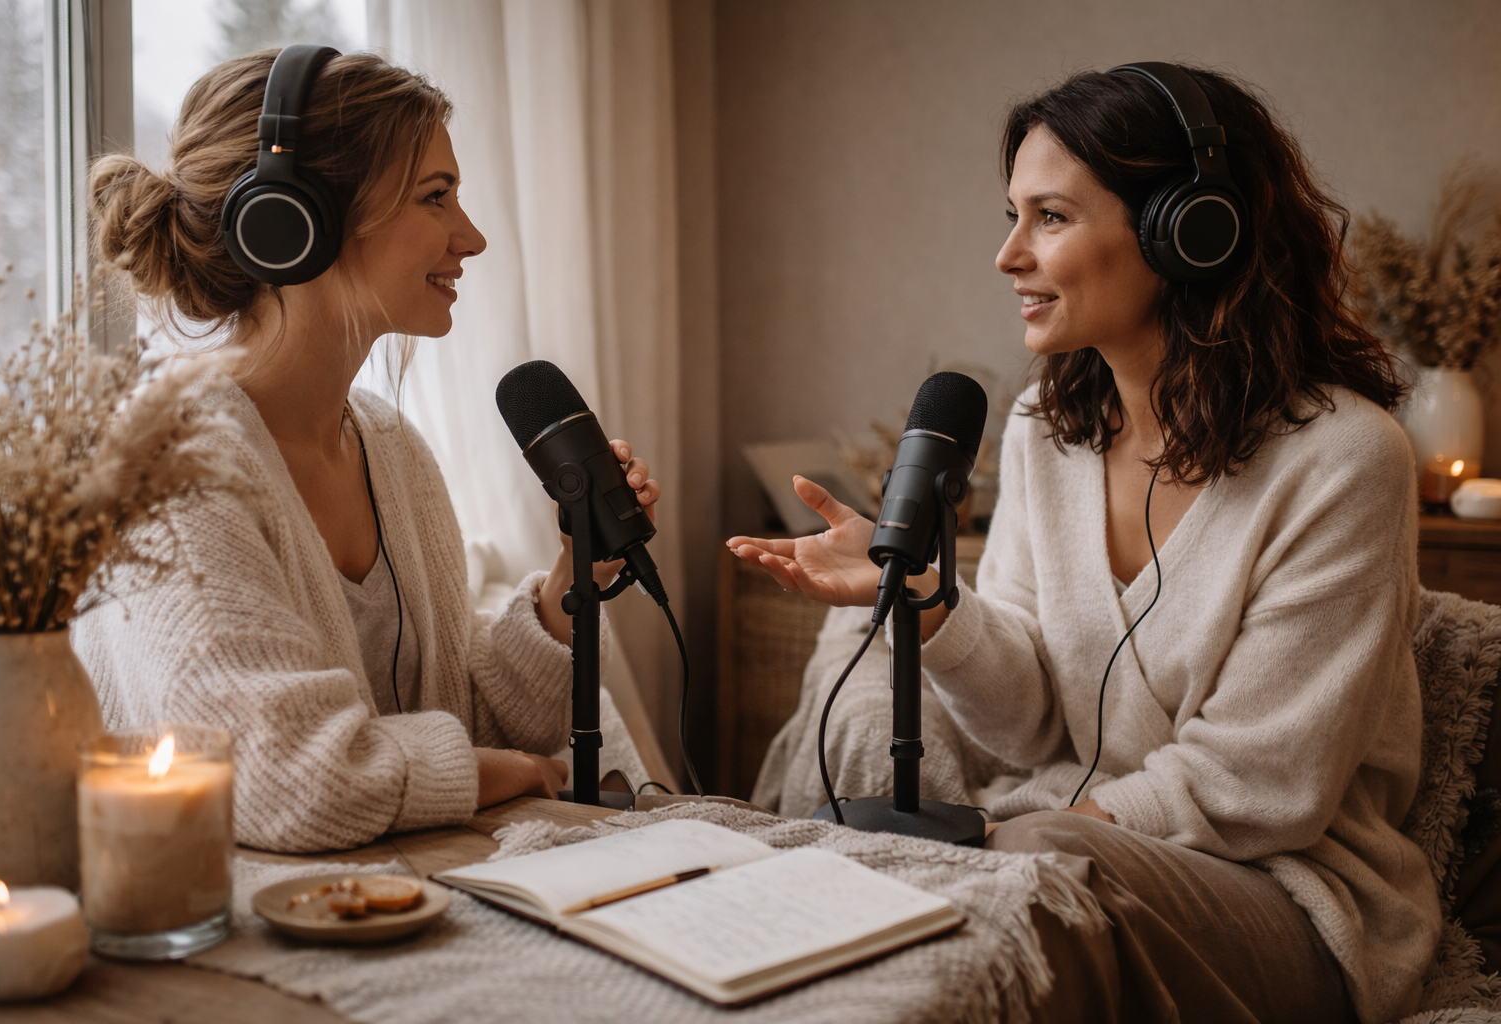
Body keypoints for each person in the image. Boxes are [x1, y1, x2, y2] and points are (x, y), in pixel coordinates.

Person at [729, 64, 1439, 1023]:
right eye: (1012, 215)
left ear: (1188, 231)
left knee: (1024, 871)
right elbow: (1027, 724)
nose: (1007, 255)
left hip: (1285, 893)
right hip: (1070, 838)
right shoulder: (1042, 428)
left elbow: (1259, 785)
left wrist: (1006, 832)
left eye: (1050, 218)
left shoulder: (1348, 458)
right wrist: (933, 603)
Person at [75, 49, 658, 853]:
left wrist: (569, 585)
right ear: (296, 219)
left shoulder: (390, 449)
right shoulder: (172, 471)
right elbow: (290, 781)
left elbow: (439, 727)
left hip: (401, 888)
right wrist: (516, 772)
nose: (473, 236)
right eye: (436, 197)